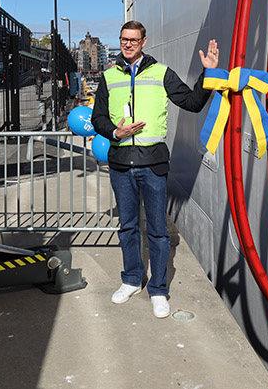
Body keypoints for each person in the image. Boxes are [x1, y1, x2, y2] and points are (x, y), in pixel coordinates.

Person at [91, 20, 219, 318]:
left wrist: (209, 73)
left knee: (159, 231)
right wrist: (114, 133)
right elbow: (97, 118)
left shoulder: (161, 73)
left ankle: (159, 290)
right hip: (121, 164)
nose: (128, 44)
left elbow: (192, 101)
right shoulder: (108, 77)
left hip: (153, 165)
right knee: (127, 227)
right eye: (124, 39)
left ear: (144, 42)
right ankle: (132, 280)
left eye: (134, 40)